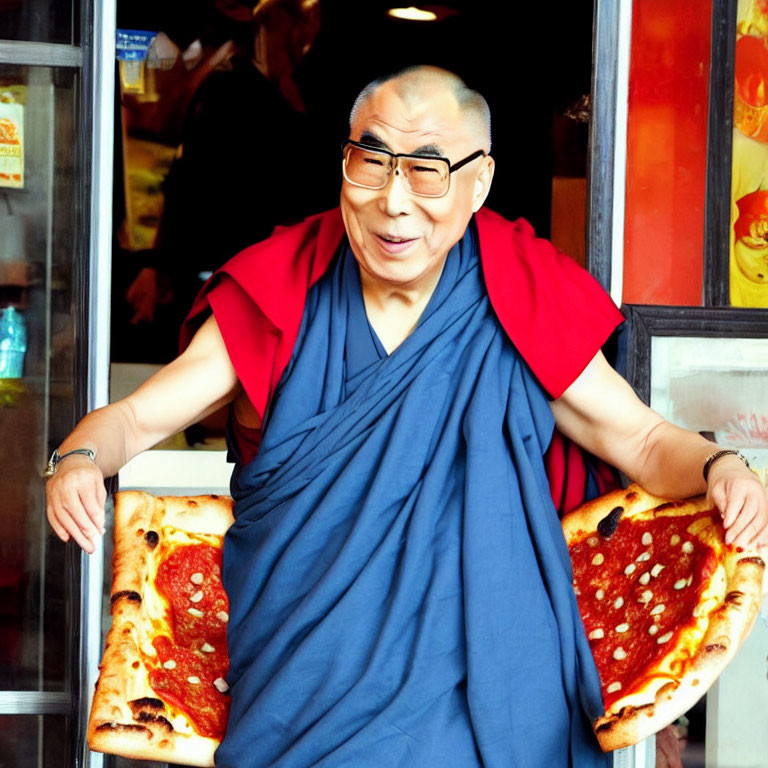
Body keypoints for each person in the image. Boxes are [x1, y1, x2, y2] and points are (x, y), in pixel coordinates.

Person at [46, 66, 768, 767]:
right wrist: (79, 458)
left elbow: (639, 439)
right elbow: (136, 420)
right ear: (343, 162)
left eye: (427, 170)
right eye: (372, 161)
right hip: (304, 697)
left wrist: (721, 467)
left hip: (489, 693)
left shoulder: (518, 293)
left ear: (478, 181)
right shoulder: (283, 288)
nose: (394, 201)